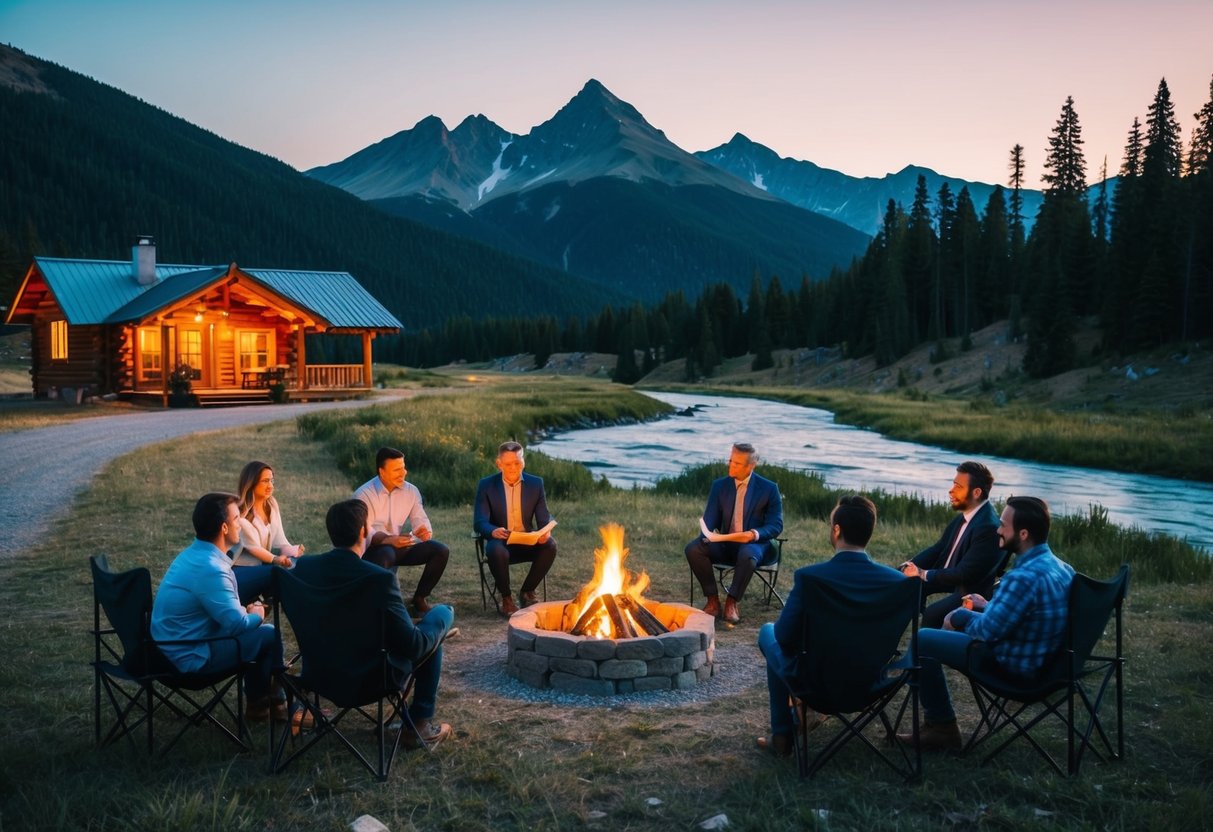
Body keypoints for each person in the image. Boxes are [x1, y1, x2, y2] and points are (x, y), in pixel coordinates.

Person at [898, 496, 1075, 750]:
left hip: (1012, 666)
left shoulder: (1022, 577)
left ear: (1023, 534)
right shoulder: (1062, 568)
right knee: (933, 635)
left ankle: (941, 728)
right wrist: (987, 606)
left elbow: (989, 630)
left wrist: (960, 616)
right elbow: (1025, 615)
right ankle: (937, 724)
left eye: (1003, 525)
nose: (998, 530)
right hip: (1047, 664)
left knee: (923, 639)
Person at [292, 499, 454, 747]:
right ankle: (418, 724)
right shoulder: (379, 579)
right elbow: (413, 646)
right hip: (371, 679)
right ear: (364, 532)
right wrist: (444, 614)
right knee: (432, 635)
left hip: (318, 675)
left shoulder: (303, 568)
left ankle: (417, 725)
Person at [756, 495, 907, 756]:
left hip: (816, 686)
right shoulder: (898, 583)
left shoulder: (810, 578)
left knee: (768, 632)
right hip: (871, 685)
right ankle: (790, 725)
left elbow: (784, 638)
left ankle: (781, 735)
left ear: (836, 530)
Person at [151, 492, 284, 721]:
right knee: (268, 634)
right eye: (236, 519)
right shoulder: (211, 569)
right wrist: (257, 614)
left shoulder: (192, 555)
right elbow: (237, 625)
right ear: (224, 528)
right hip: (189, 659)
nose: (240, 525)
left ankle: (265, 704)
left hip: (166, 649)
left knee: (257, 632)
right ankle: (271, 705)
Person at [685, 442, 783, 623]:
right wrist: (706, 538)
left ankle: (732, 601)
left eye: (737, 463)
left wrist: (754, 534)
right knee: (693, 549)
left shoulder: (769, 489)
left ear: (751, 465)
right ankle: (713, 601)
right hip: (725, 544)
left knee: (747, 554)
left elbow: (776, 525)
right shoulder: (720, 486)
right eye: (731, 460)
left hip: (754, 545)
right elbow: (709, 523)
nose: (731, 465)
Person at [899, 461, 1003, 629]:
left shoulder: (989, 527)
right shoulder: (967, 515)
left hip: (971, 588)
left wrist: (922, 573)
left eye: (958, 486)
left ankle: (924, 651)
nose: (951, 490)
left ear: (976, 493)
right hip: (950, 576)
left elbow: (964, 574)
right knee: (907, 585)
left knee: (933, 613)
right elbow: (938, 548)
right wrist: (907, 567)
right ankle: (892, 639)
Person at [354, 446, 450, 616]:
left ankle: (420, 599)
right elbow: (365, 530)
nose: (403, 473)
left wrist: (423, 531)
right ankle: (381, 605)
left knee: (440, 550)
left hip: (398, 545)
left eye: (403, 467)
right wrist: (388, 540)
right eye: (397, 470)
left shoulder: (411, 491)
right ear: (382, 472)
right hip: (372, 550)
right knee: (386, 554)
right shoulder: (363, 494)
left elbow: (420, 518)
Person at [473, 440, 557, 616]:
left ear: (523, 462)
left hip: (526, 540)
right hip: (500, 542)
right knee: (496, 550)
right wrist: (492, 530)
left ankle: (527, 591)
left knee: (550, 545)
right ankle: (507, 599)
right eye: (508, 464)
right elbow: (480, 521)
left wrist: (545, 531)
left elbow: (543, 518)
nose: (513, 468)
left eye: (517, 463)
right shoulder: (486, 485)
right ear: (499, 464)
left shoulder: (536, 484)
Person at [229, 461, 304, 605]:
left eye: (272, 480)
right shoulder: (240, 514)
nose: (270, 486)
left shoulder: (271, 504)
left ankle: (262, 603)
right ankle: (257, 603)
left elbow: (279, 540)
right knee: (278, 572)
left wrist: (293, 551)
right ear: (251, 483)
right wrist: (276, 559)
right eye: (265, 481)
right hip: (239, 571)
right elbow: (253, 548)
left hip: (261, 567)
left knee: (299, 566)